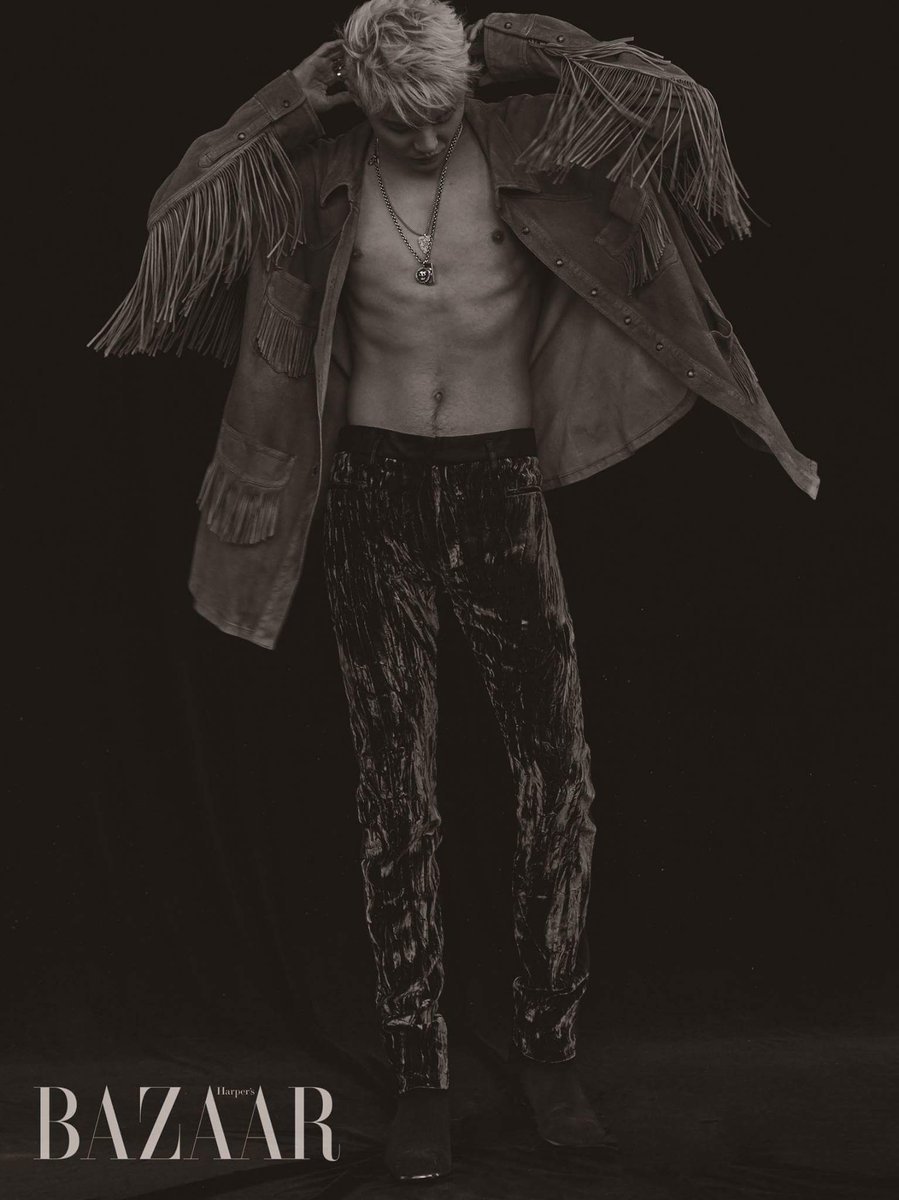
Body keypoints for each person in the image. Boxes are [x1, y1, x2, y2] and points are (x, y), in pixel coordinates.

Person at [89, 1, 819, 1182]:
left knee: (556, 777)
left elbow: (679, 110)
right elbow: (177, 212)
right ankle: (419, 1067)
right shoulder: (319, 166)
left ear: (465, 86)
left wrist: (526, 45)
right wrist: (288, 103)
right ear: (360, 100)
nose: (426, 140)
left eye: (441, 114)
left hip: (500, 488)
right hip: (369, 493)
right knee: (397, 789)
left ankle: (546, 1050)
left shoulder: (528, 140)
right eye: (400, 123)